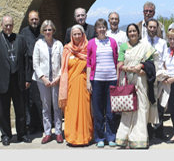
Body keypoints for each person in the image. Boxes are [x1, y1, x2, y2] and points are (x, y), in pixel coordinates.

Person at [115, 23, 159, 149]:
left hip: (141, 82)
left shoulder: (145, 46)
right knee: (128, 110)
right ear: (127, 33)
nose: (132, 33)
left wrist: (143, 68)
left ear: (138, 33)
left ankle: (139, 140)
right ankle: (126, 139)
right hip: (128, 81)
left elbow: (151, 63)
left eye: (134, 31)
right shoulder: (123, 46)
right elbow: (120, 65)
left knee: (142, 109)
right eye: (130, 31)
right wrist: (132, 69)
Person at [59, 24, 94, 146]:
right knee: (71, 110)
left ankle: (85, 137)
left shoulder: (88, 47)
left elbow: (92, 64)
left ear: (83, 34)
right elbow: (63, 69)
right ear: (71, 35)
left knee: (85, 111)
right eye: (75, 34)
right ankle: (72, 137)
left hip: (84, 84)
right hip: (70, 85)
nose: (77, 36)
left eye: (79, 33)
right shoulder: (67, 49)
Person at [0, 15, 32, 146]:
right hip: (2, 81)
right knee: (3, 111)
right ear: (2, 25)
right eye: (6, 25)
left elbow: (27, 60)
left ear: (13, 25)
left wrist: (28, 78)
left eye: (10, 25)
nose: (8, 27)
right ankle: (6, 135)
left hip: (18, 80)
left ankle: (22, 134)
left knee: (20, 109)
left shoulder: (20, 39)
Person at [86, 19, 118, 148]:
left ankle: (110, 137)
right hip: (97, 80)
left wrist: (118, 78)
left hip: (111, 79)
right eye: (99, 27)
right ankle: (99, 137)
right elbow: (88, 63)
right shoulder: (92, 43)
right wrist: (88, 81)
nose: (102, 29)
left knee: (111, 111)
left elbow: (116, 60)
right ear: (96, 29)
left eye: (104, 26)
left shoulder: (113, 42)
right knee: (98, 111)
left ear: (106, 28)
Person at [32, 20, 63, 144]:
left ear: (53, 30)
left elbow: (63, 62)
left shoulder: (59, 44)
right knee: (46, 107)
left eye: (49, 29)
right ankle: (48, 132)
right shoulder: (38, 44)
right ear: (42, 31)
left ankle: (59, 132)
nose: (47, 32)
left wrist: (58, 77)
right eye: (45, 30)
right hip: (42, 81)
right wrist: (43, 78)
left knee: (57, 107)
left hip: (56, 80)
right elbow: (35, 62)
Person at [143, 18, 168, 140]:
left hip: (159, 78)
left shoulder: (162, 42)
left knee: (159, 106)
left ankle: (159, 131)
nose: (152, 29)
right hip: (146, 78)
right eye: (150, 27)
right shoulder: (142, 42)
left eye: (154, 27)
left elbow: (165, 60)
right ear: (146, 27)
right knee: (147, 104)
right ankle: (148, 130)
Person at [20, 10, 44, 134]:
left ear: (39, 19)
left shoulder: (44, 31)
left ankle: (42, 124)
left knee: (42, 99)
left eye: (36, 19)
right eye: (32, 19)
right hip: (29, 69)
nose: (34, 21)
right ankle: (32, 125)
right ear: (28, 20)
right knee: (30, 100)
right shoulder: (24, 33)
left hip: (43, 69)